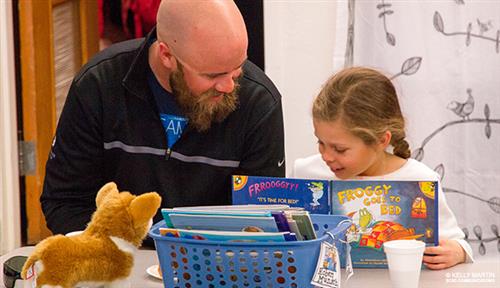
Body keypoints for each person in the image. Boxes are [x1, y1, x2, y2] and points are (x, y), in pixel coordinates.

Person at [41, 0, 285, 240]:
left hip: (214, 264)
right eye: (213, 74)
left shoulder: (258, 102)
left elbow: (260, 221)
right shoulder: (99, 85)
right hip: (116, 259)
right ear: (167, 55)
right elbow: (65, 199)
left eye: (237, 68)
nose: (229, 85)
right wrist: (110, 255)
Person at [293, 67, 473, 270]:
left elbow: (459, 243)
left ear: (381, 140)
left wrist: (458, 252)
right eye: (321, 142)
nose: (326, 156)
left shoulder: (420, 179)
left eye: (340, 149)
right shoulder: (305, 173)